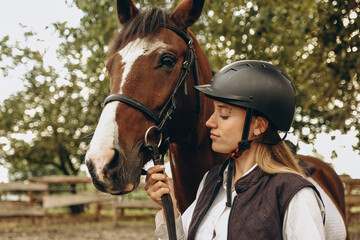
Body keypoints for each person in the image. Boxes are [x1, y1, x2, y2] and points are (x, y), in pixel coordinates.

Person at [145, 60, 325, 239]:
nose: (210, 122)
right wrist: (169, 204)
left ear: (258, 126)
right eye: (213, 112)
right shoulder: (211, 180)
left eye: (223, 115)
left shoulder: (294, 194)